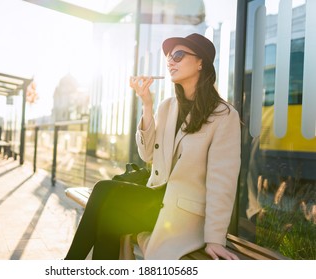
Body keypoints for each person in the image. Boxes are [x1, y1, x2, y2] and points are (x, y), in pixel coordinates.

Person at [65, 33, 240, 260]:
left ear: (200, 63)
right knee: (108, 217)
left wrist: (215, 238)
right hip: (156, 201)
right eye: (168, 57)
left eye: (178, 55)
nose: (170, 61)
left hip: (186, 215)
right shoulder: (168, 107)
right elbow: (146, 153)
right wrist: (147, 104)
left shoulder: (224, 115)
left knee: (103, 193)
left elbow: (222, 181)